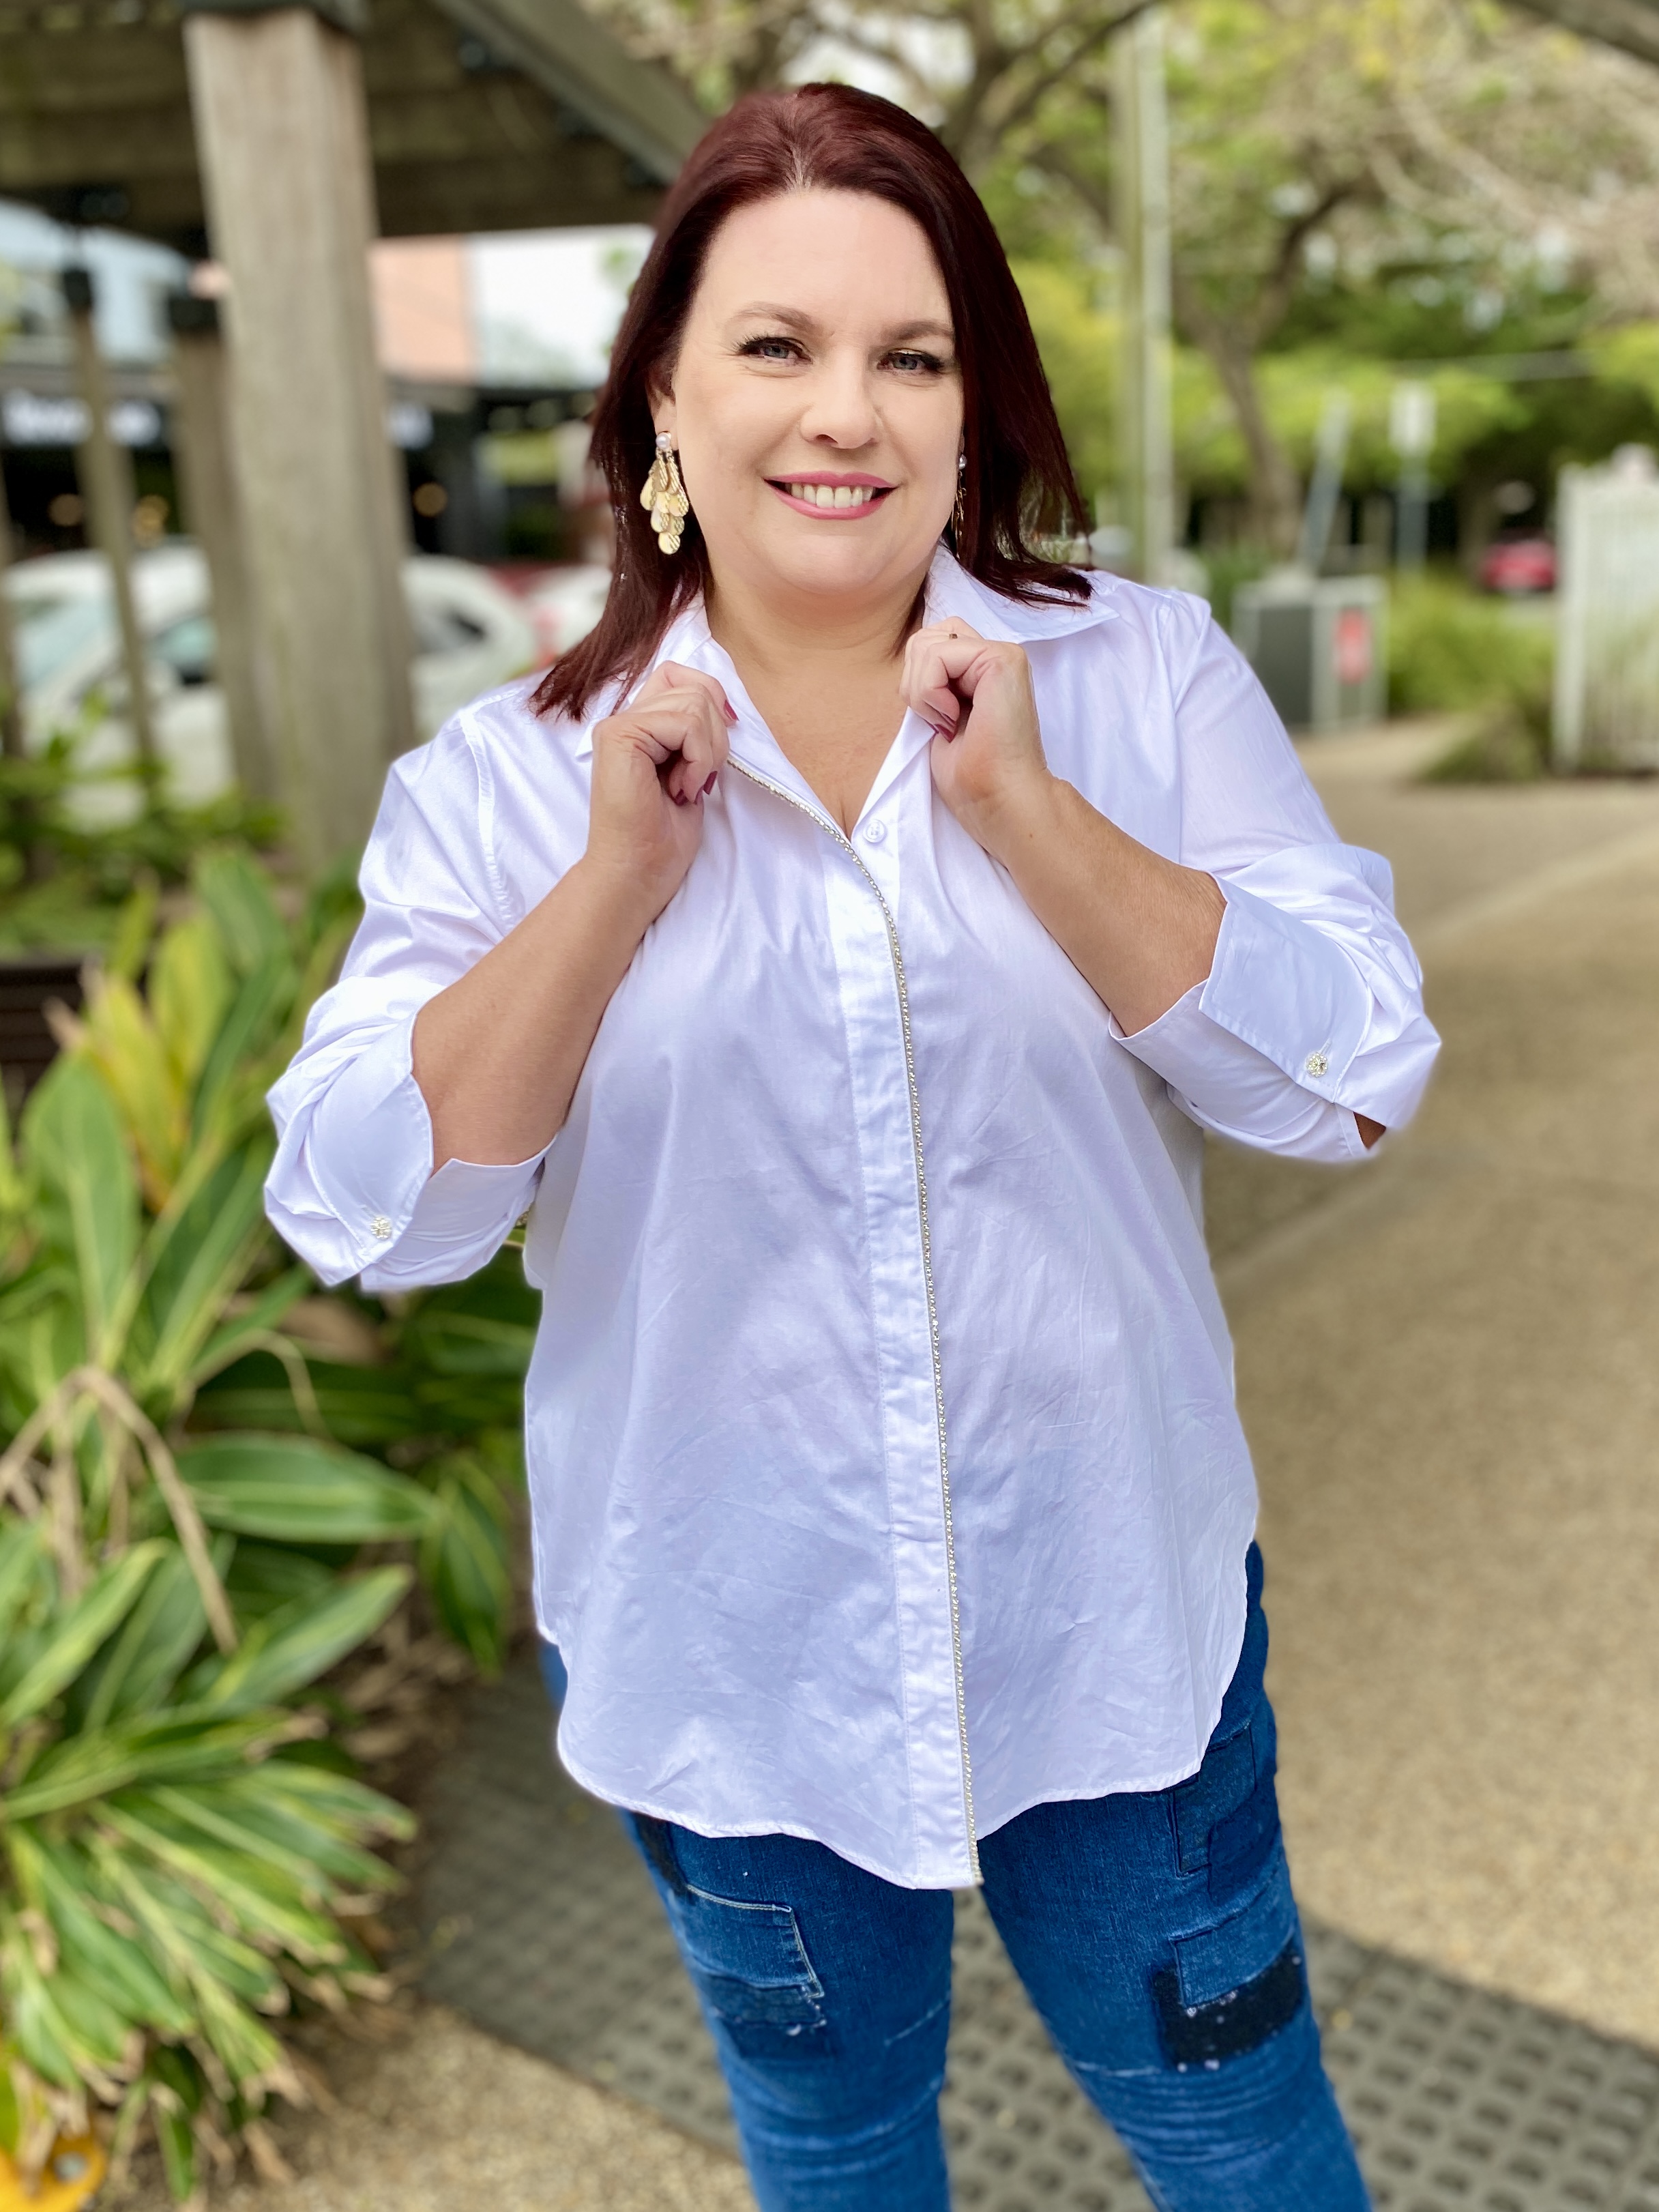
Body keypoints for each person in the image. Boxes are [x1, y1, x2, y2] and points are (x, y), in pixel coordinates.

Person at [266, 83, 1438, 2212]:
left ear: (972, 409)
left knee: (1251, 2147)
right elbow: (373, 1207)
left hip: (1112, 1615)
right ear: (663, 400)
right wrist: (614, 883)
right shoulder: (505, 784)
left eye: (911, 354)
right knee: (835, 2155)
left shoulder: (1142, 679)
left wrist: (1034, 819)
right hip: (735, 1652)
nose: (847, 412)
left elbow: (1353, 1071)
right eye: (776, 346)